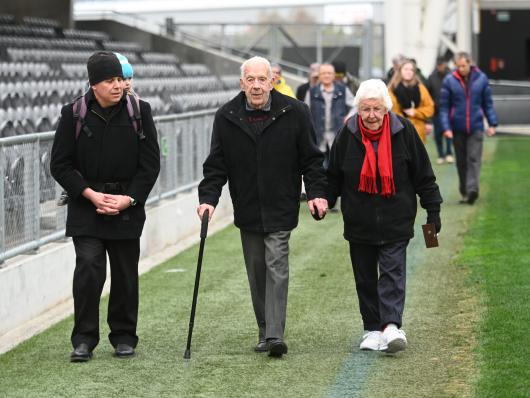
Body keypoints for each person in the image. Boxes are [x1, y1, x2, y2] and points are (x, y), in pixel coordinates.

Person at [197, 56, 328, 358]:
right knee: (257, 272)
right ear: (242, 83)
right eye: (250, 80)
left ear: (272, 81)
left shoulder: (296, 112)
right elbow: (216, 165)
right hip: (248, 206)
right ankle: (264, 329)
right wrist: (208, 199)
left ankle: (274, 335)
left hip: (282, 203)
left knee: (276, 265)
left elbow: (311, 159)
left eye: (262, 79)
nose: (256, 86)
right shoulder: (226, 115)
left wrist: (318, 193)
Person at [50, 51, 160, 362]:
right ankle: (84, 339)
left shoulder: (141, 111)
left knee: (125, 274)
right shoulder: (73, 114)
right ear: (94, 84)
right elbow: (60, 164)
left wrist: (129, 199)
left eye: (120, 80)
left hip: (127, 206)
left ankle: (124, 336)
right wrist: (89, 194)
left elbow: (150, 165)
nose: (118, 85)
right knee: (88, 269)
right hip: (87, 206)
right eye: (110, 80)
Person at [327, 79, 442, 353]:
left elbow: (423, 175)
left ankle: (391, 326)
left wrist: (433, 210)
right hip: (359, 221)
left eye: (377, 109)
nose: (371, 116)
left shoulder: (405, 132)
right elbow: (332, 175)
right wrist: (323, 200)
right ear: (358, 110)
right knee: (365, 278)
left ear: (386, 109)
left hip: (396, 218)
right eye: (365, 109)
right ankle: (371, 329)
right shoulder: (347, 134)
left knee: (392, 272)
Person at [439, 52, 498, 205]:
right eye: (458, 66)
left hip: (476, 127)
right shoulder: (449, 81)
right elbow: (444, 108)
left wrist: (492, 124)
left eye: (463, 65)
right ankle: (465, 192)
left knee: (473, 159)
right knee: (461, 162)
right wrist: (446, 127)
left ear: (470, 63)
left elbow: (488, 104)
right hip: (457, 128)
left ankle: (472, 190)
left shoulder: (481, 79)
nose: (461, 68)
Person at [305, 63, 355, 158]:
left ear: (334, 75)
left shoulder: (343, 90)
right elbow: (305, 112)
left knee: (336, 166)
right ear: (319, 75)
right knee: (320, 167)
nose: (326, 75)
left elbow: (356, 105)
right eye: (323, 73)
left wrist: (349, 117)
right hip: (318, 138)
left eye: (329, 73)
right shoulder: (311, 92)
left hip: (338, 136)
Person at [388, 59, 435, 144]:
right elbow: (391, 110)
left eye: (411, 70)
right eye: (406, 69)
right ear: (400, 71)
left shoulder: (421, 88)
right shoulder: (392, 89)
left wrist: (415, 112)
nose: (409, 72)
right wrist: (405, 120)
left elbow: (430, 107)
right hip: (399, 131)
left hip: (418, 132)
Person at [427, 56, 452, 164]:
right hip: (436, 111)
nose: (441, 67)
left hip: (449, 110)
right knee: (438, 134)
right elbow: (428, 94)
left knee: (449, 132)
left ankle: (449, 153)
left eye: (443, 65)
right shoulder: (432, 77)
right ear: (437, 66)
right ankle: (441, 155)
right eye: (439, 65)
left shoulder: (451, 76)